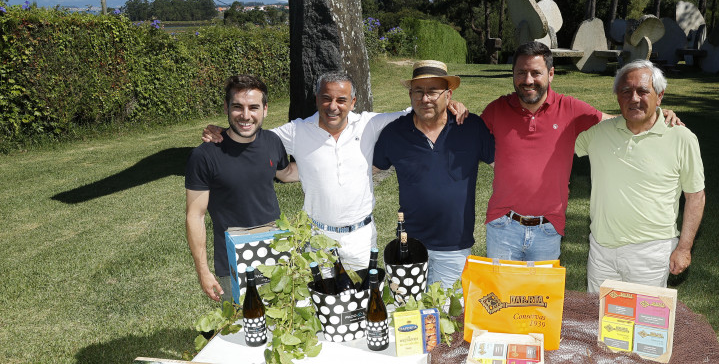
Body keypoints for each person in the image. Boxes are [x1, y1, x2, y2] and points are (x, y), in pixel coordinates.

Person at [202, 72, 469, 270]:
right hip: (317, 238)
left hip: (362, 238)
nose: (333, 106)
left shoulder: (370, 124)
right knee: (322, 307)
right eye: (326, 98)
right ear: (317, 98)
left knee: (366, 302)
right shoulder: (296, 131)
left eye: (342, 100)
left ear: (353, 102)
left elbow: (417, 111)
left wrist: (451, 106)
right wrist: (222, 132)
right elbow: (252, 136)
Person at [480, 41, 682, 262]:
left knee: (542, 297)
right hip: (502, 225)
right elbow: (469, 138)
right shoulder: (496, 109)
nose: (528, 80)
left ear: (551, 74)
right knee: (499, 295)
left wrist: (654, 115)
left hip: (548, 228)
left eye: (536, 73)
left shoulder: (570, 109)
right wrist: (457, 110)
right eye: (521, 72)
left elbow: (615, 122)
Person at [574, 60, 706, 290]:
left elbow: (696, 196)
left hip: (651, 254)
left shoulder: (682, 138)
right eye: (626, 91)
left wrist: (684, 248)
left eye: (643, 91)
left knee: (645, 324)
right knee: (599, 320)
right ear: (617, 96)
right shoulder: (598, 134)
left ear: (660, 96)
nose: (634, 98)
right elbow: (554, 142)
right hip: (601, 251)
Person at [373, 60, 495, 287]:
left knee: (449, 315)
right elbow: (366, 171)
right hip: (408, 247)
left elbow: (503, 167)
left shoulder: (471, 128)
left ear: (448, 96)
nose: (425, 98)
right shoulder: (394, 133)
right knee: (409, 316)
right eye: (418, 91)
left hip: (455, 247)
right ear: (410, 95)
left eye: (433, 92)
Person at [186, 75, 294, 301]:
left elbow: (285, 173)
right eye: (238, 107)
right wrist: (203, 272)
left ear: (265, 109)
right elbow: (195, 216)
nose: (246, 116)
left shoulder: (272, 142)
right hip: (233, 261)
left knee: (283, 324)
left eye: (253, 107)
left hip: (277, 252)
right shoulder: (204, 155)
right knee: (243, 329)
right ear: (226, 107)